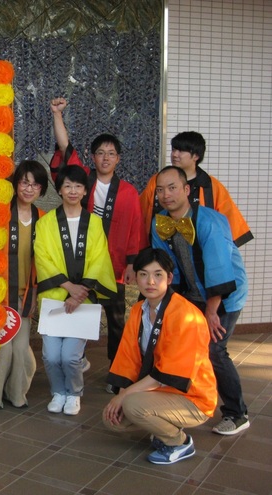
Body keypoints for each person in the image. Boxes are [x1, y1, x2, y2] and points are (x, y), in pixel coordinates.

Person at [50, 98, 144, 388]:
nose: (105, 158)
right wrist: (57, 114)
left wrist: (131, 263)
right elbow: (65, 147)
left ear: (118, 159)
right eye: (100, 153)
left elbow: (135, 229)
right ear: (92, 157)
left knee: (116, 323)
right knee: (78, 315)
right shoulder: (83, 182)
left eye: (111, 154)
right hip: (81, 266)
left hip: (113, 268)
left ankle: (117, 373)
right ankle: (75, 362)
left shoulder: (128, 192)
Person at [150, 166, 250, 436]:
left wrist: (212, 312)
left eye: (172, 188)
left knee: (215, 350)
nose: (166, 195)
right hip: (192, 293)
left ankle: (237, 413)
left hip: (226, 294)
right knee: (183, 346)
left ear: (186, 190)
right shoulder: (160, 222)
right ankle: (185, 404)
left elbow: (219, 268)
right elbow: (165, 267)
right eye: (160, 190)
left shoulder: (210, 221)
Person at [103, 248, 217, 465]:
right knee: (112, 419)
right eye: (143, 274)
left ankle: (179, 442)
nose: (150, 282)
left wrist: (124, 397)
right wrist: (121, 394)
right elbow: (128, 358)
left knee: (132, 405)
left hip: (192, 396)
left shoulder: (186, 314)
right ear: (136, 277)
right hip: (161, 392)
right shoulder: (138, 310)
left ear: (169, 278)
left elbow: (168, 374)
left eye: (158, 274)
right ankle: (164, 425)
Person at [34, 166, 116, 416]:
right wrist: (68, 287)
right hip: (54, 297)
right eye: (67, 185)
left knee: (70, 356)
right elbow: (42, 256)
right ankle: (58, 392)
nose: (72, 190)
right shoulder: (46, 222)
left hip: (83, 299)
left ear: (85, 191)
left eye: (78, 186)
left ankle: (74, 393)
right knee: (50, 356)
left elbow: (100, 258)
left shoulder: (95, 223)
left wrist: (80, 293)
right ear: (59, 190)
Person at [0, 160, 48, 409]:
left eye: (35, 185)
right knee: (1, 348)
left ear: (42, 189)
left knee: (20, 350)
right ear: (15, 184)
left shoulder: (43, 218)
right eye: (24, 182)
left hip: (26, 293)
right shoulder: (0, 213)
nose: (29, 189)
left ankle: (16, 394)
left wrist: (39, 291)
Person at [140, 131, 253, 247]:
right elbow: (139, 213)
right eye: (173, 149)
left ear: (196, 156)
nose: (174, 154)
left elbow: (230, 222)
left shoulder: (211, 186)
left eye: (181, 150)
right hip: (161, 249)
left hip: (201, 250)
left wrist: (221, 251)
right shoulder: (156, 181)